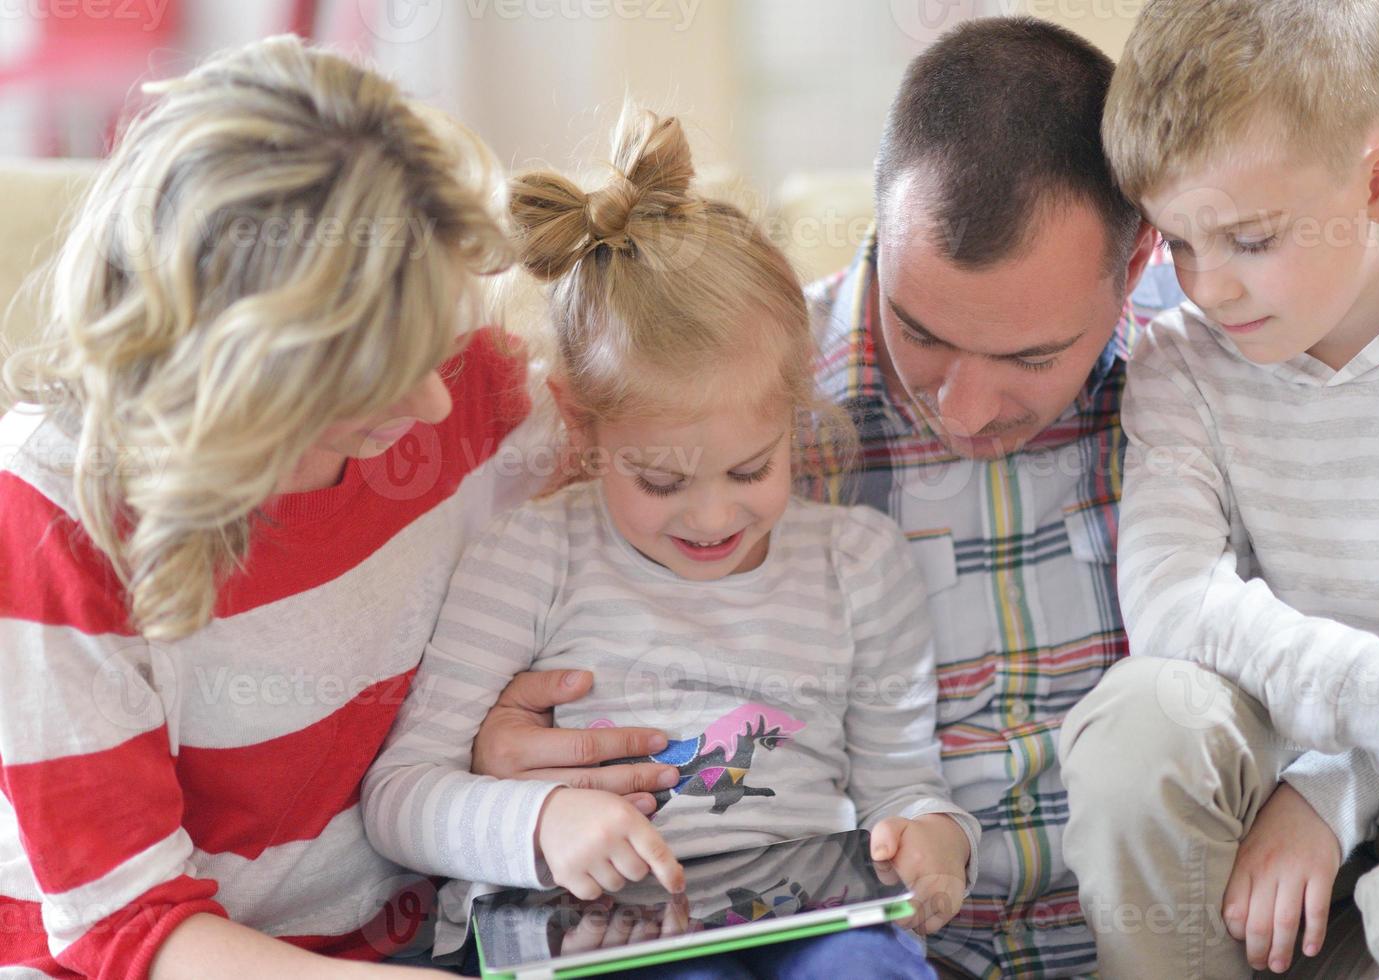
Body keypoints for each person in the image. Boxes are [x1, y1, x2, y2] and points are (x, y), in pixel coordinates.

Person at [470, 19, 1180, 978]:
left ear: (1134, 268)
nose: (964, 409)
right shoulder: (733, 397)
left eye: (1029, 357)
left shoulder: (1201, 391)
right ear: (879, 233)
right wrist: (503, 771)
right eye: (921, 331)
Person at [362, 105, 982, 979]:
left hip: (807, 916)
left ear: (795, 411)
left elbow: (905, 787)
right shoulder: (532, 554)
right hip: (594, 933)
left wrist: (936, 846)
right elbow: (400, 796)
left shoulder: (858, 562)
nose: (710, 518)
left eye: (748, 470)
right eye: (660, 482)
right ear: (582, 423)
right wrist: (539, 826)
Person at [0, 36, 541, 977]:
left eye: (430, 342)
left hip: (423, 927)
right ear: (236, 372)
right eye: (369, 376)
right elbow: (126, 929)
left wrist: (502, 725)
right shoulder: (51, 515)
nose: (434, 404)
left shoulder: (461, 384)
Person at [1059, 1, 1379, 976]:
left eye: (1247, 239)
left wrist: (1340, 786)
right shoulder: (1179, 365)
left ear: (1376, 184)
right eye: (1179, 244)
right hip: (1282, 762)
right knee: (1134, 724)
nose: (1209, 287)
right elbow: (1169, 602)